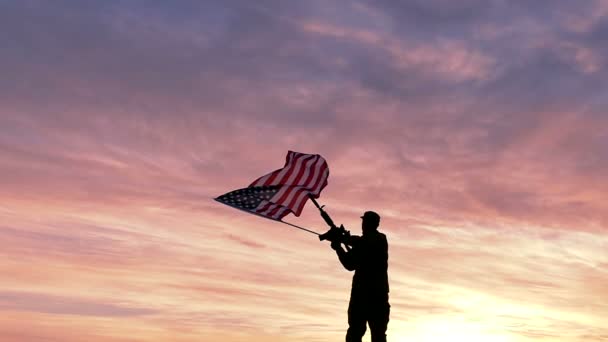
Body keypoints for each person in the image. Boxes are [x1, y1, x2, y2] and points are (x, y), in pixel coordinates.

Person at [331, 211, 390, 342]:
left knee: (377, 335)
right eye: (363, 222)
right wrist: (338, 248)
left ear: (373, 224)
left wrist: (343, 238)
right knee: (355, 333)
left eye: (366, 222)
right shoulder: (361, 243)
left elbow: (363, 243)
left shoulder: (379, 239)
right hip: (361, 296)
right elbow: (350, 264)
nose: (363, 225)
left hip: (375, 296)